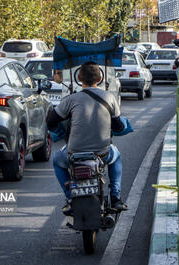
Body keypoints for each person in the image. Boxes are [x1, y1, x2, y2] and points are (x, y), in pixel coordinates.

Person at [46, 61, 130, 214]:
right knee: (116, 156)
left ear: (79, 77)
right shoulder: (110, 97)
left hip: (73, 155)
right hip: (102, 154)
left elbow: (51, 121)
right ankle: (116, 197)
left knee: (57, 160)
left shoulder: (70, 100)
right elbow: (119, 127)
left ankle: (70, 197)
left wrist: (61, 131)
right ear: (99, 79)